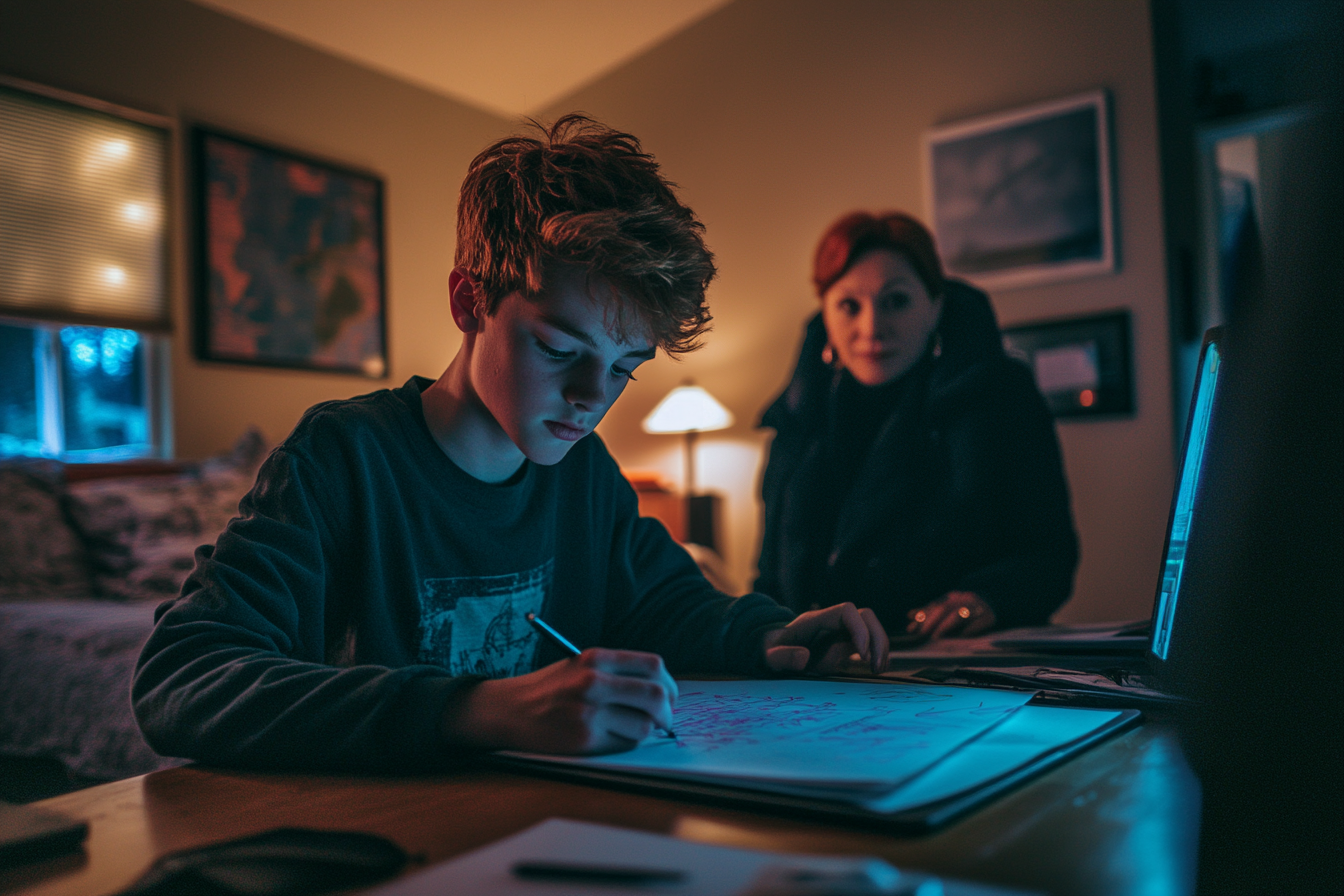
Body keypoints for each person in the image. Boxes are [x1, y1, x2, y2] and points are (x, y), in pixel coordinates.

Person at [132, 116, 889, 773]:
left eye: (625, 368)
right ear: (470, 301)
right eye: (560, 350)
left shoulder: (584, 474)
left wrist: (770, 635)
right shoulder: (344, 458)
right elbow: (182, 678)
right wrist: (480, 710)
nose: (594, 398)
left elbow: (664, 606)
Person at [756, 211, 1078, 640]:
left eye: (896, 301)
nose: (872, 328)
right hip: (816, 677)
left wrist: (988, 600)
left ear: (935, 306)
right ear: (826, 316)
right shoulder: (798, 416)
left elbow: (1050, 554)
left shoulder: (998, 398)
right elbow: (767, 578)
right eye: (849, 306)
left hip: (954, 669)